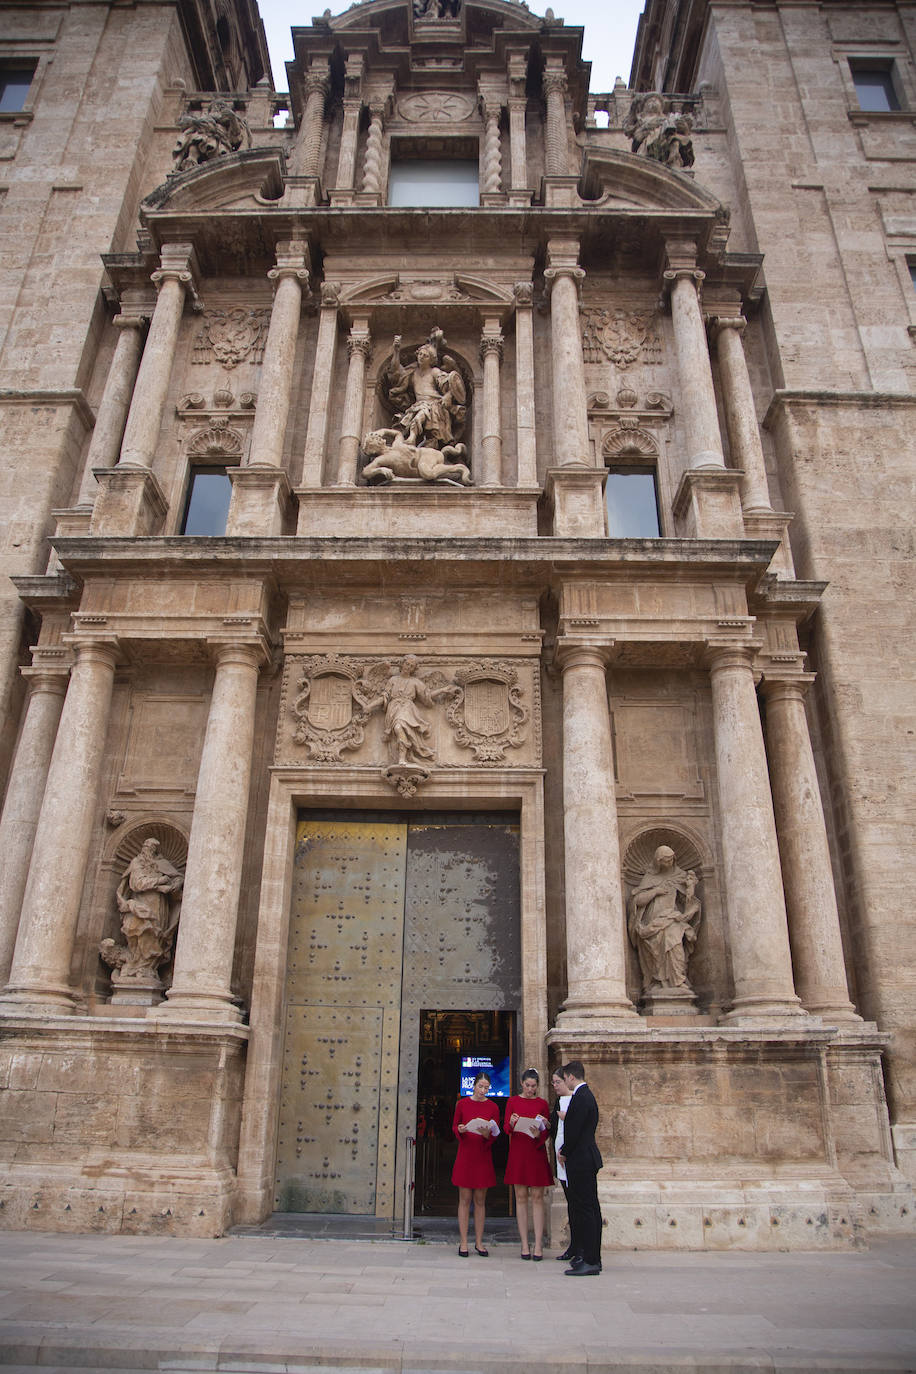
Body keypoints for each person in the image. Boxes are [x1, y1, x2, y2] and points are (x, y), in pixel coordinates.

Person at [627, 844, 701, 994]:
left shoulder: (680, 876)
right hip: (652, 923)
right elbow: (637, 901)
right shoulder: (650, 878)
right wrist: (655, 891)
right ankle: (658, 981)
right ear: (658, 861)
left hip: (673, 920)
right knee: (656, 951)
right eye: (665, 861)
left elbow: (688, 902)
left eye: (670, 860)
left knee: (675, 946)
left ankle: (678, 980)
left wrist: (690, 888)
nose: (668, 864)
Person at [557, 1060, 603, 1276]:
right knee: (590, 1208)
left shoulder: (580, 1098)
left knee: (586, 1210)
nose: (565, 1081)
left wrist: (563, 1151)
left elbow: (573, 1131)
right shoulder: (586, 1096)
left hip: (581, 1161)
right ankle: (589, 1256)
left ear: (571, 1077)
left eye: (565, 1078)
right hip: (586, 1159)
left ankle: (591, 1259)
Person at [504, 1069, 552, 1260]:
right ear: (521, 1084)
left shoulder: (542, 1104)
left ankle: (538, 1244)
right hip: (519, 1153)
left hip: (536, 1152)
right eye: (527, 1085)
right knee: (521, 1197)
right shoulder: (513, 1102)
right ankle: (524, 1243)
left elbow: (546, 1130)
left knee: (538, 1197)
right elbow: (506, 1128)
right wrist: (513, 1122)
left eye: (534, 1086)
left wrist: (541, 1132)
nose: (530, 1089)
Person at [452, 1070, 500, 1256]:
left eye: (486, 1088)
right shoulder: (462, 1104)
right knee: (464, 1200)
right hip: (466, 1155)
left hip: (482, 1156)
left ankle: (479, 1242)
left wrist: (488, 1134)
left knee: (480, 1201)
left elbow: (495, 1133)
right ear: (473, 1086)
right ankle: (463, 1242)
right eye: (480, 1087)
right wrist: (461, 1129)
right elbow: (454, 1126)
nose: (483, 1091)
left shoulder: (493, 1107)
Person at [549, 1068, 574, 1261]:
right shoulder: (558, 1102)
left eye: (558, 1082)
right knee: (571, 1204)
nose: (555, 1086)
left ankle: (580, 1248)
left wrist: (565, 1152)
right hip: (560, 1161)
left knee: (577, 1204)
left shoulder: (577, 1100)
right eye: (554, 1083)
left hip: (570, 1160)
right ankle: (575, 1247)